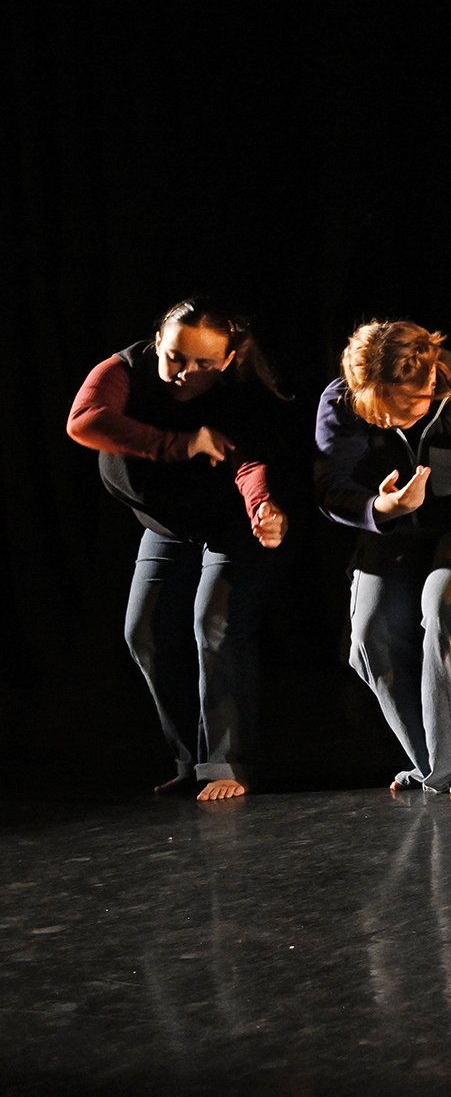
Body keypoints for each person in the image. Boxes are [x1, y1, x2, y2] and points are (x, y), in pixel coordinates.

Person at [67, 298, 293, 799]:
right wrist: (181, 443)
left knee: (215, 626)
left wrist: (262, 510)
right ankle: (189, 761)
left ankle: (228, 763)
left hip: (231, 526)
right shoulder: (124, 369)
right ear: (157, 344)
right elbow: (85, 420)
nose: (184, 373)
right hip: (166, 527)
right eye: (174, 357)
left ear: (228, 360)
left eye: (204, 365)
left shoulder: (240, 392)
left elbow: (248, 463)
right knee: (144, 631)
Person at [315, 320, 451, 794]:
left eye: (407, 405)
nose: (394, 418)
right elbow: (332, 486)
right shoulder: (343, 397)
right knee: (370, 635)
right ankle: (434, 761)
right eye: (380, 410)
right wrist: (382, 507)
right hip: (393, 529)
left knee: (446, 602)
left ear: (431, 376)